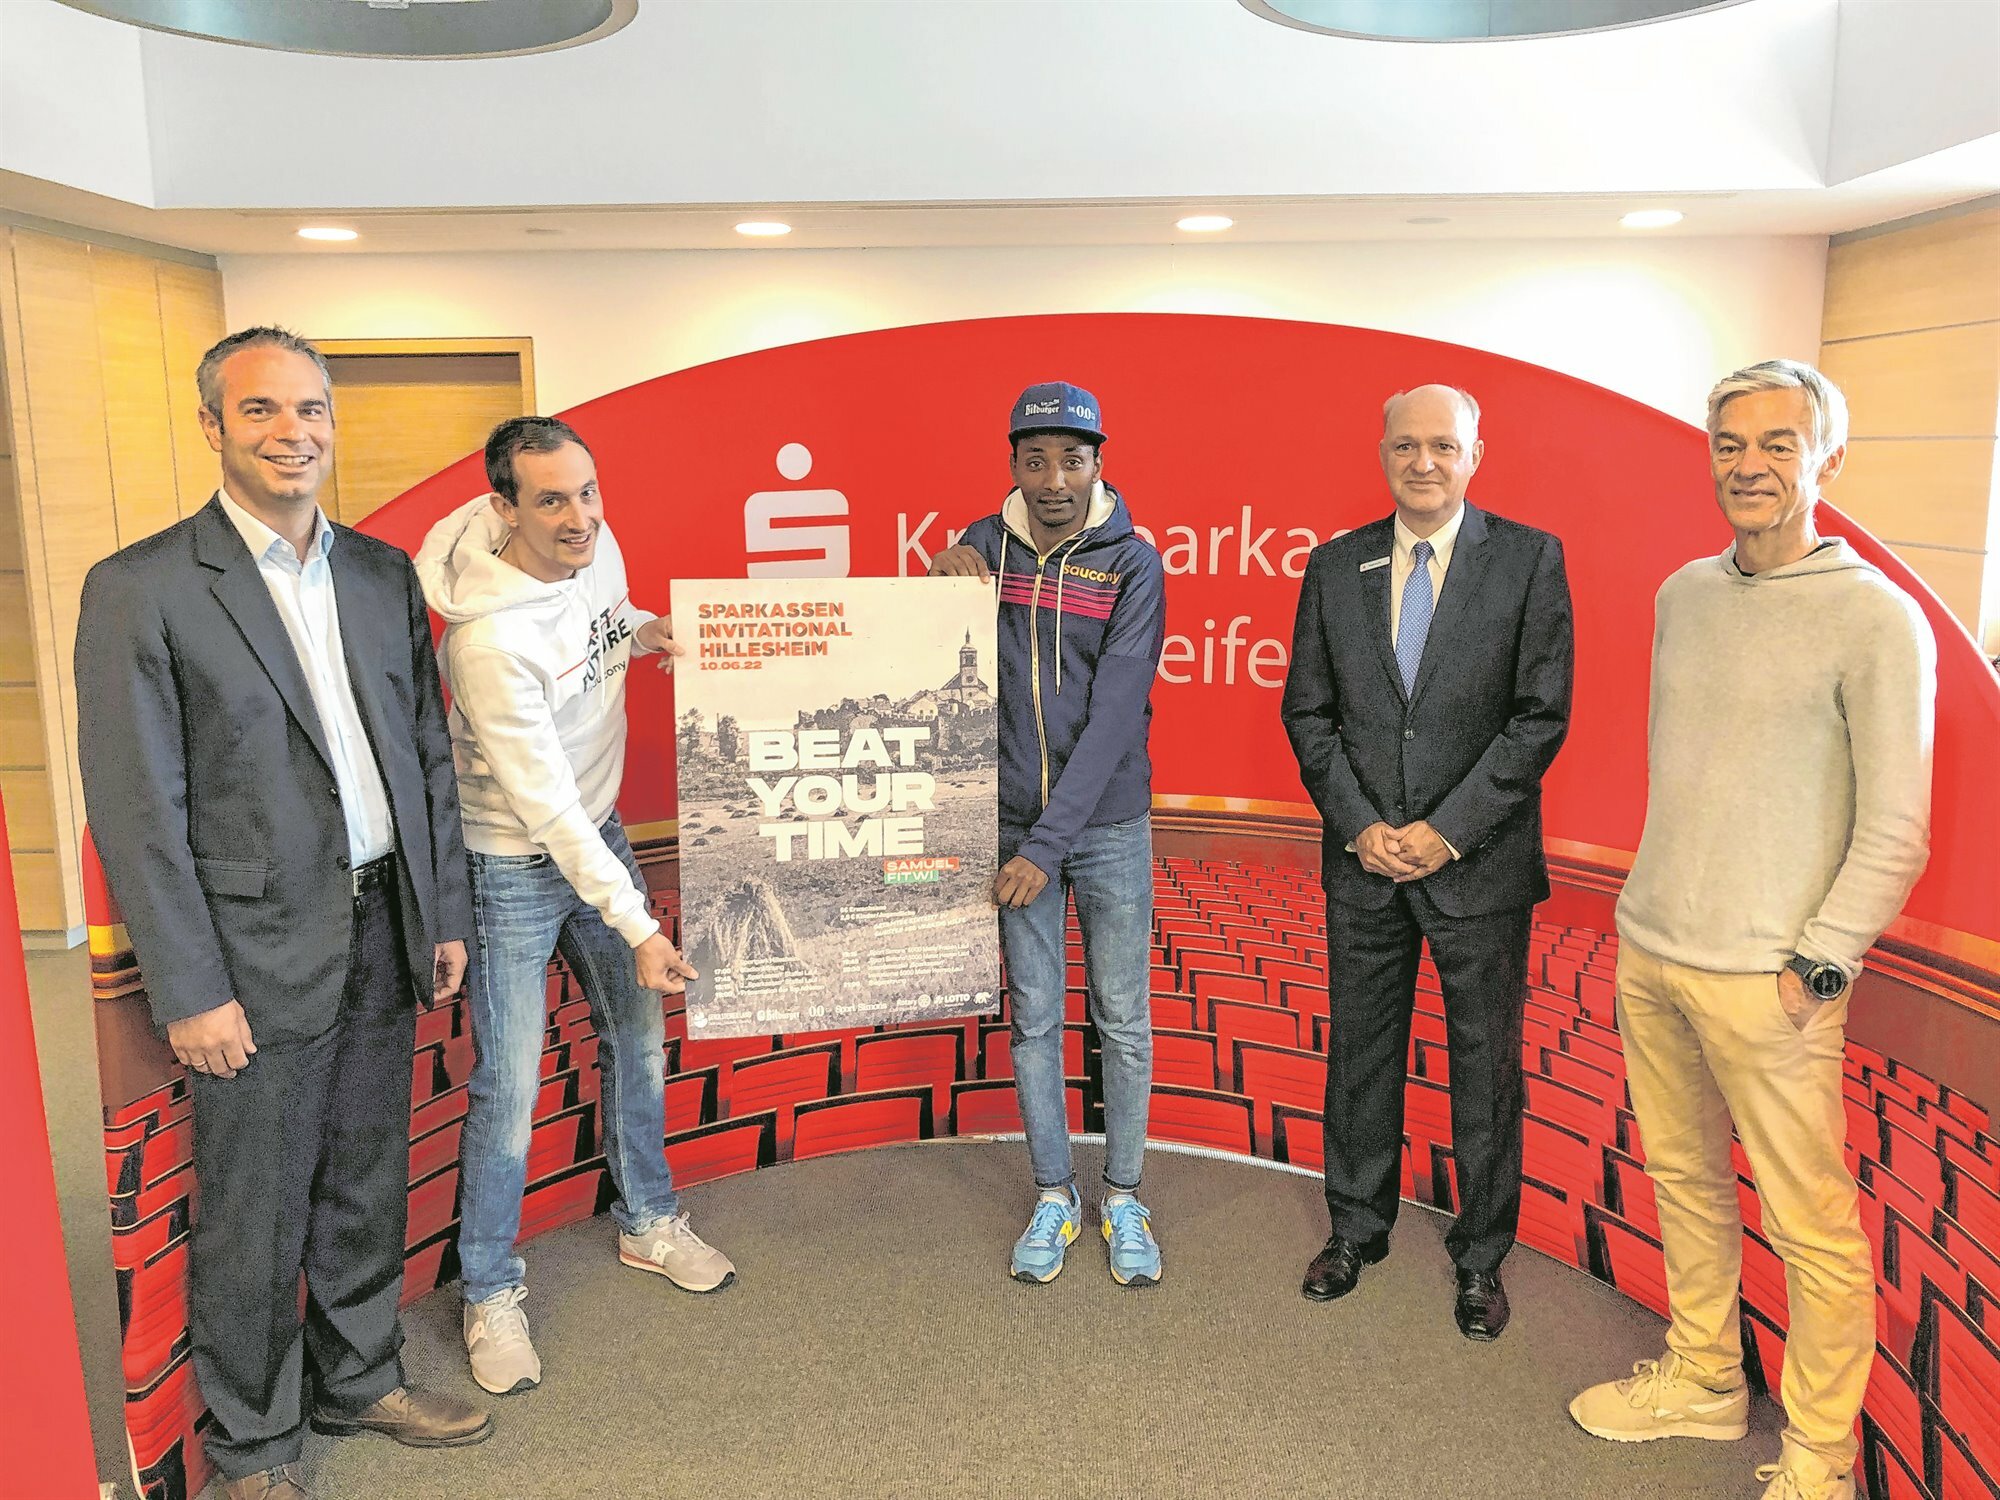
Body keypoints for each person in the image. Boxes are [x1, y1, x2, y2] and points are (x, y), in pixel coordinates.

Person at [75, 327, 491, 1500]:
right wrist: (190, 985)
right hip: (249, 956)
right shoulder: (141, 587)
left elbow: (425, 756)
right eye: (260, 410)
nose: (291, 432)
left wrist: (438, 913)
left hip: (382, 925)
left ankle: (359, 1378)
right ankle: (254, 1443)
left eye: (309, 409)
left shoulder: (379, 574)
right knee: (254, 1211)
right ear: (213, 426)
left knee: (366, 1176)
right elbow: (137, 812)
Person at [1569, 360, 1935, 1500]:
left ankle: (1819, 1457)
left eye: (1779, 443)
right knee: (1682, 1178)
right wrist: (1643, 924)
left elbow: (1897, 827)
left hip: (1771, 979)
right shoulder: (1683, 594)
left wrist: (1817, 964)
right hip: (1654, 948)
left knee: (1810, 1227)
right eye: (1730, 443)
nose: (1750, 465)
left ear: (1829, 458)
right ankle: (1703, 1378)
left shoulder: (1875, 617)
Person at [415, 415, 732, 1398]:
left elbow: (607, 617)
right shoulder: (485, 642)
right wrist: (638, 925)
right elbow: (543, 806)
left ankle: (648, 1222)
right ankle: (489, 1290)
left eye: (588, 492)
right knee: (508, 1088)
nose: (579, 517)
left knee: (638, 1040)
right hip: (511, 861)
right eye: (551, 500)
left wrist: (645, 630)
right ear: (504, 507)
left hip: (598, 834)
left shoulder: (595, 546)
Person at [1280, 384, 1573, 1340]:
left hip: (1477, 869)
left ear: (1475, 456)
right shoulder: (1335, 566)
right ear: (1382, 454)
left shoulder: (1529, 560)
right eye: (1406, 445)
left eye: (1443, 445)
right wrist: (1361, 824)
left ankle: (1481, 1257)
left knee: (1485, 1069)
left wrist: (1446, 831)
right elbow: (1308, 713)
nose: (1423, 462)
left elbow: (1539, 719)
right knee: (1361, 1056)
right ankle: (1355, 1229)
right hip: (1364, 863)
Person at [928, 381, 1168, 1286]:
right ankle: (1055, 1194)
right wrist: (936, 585)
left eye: (1072, 460)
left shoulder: (1132, 565)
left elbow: (1114, 720)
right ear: (1014, 466)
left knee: (1123, 1018)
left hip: (1101, 827)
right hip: (1007, 822)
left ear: (1099, 464)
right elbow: (928, 666)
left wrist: (1044, 845)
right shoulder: (982, 549)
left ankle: (1126, 1196)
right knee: (1034, 1018)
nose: (1054, 479)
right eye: (1036, 460)